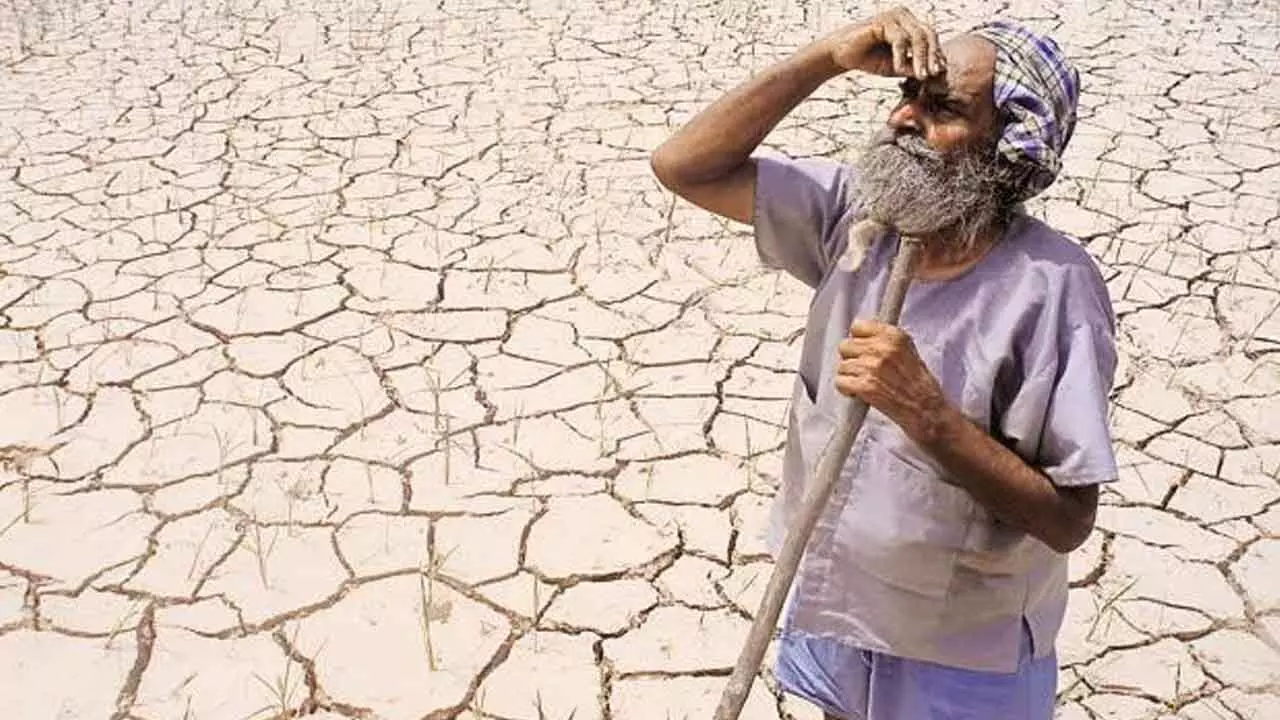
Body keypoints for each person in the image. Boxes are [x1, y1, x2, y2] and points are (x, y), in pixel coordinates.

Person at [651, 7, 1119, 720]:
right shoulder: (856, 215)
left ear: (1011, 146)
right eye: (905, 97)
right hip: (831, 588)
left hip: (960, 646)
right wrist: (828, 57)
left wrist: (930, 416)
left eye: (943, 109)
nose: (905, 120)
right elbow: (683, 165)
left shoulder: (1053, 290)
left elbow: (1067, 521)